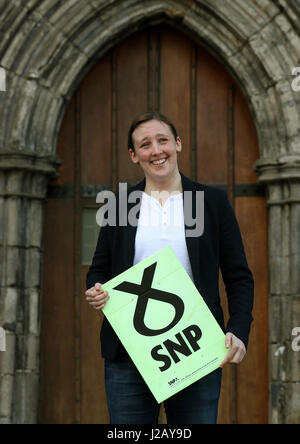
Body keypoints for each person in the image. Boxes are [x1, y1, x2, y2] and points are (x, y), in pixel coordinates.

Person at [85, 111, 254, 424]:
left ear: (177, 144)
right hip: (129, 354)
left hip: (195, 347)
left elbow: (238, 276)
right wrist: (96, 290)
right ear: (134, 156)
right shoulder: (120, 205)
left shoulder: (210, 202)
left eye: (163, 140)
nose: (156, 150)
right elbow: (99, 270)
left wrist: (238, 329)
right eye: (145, 144)